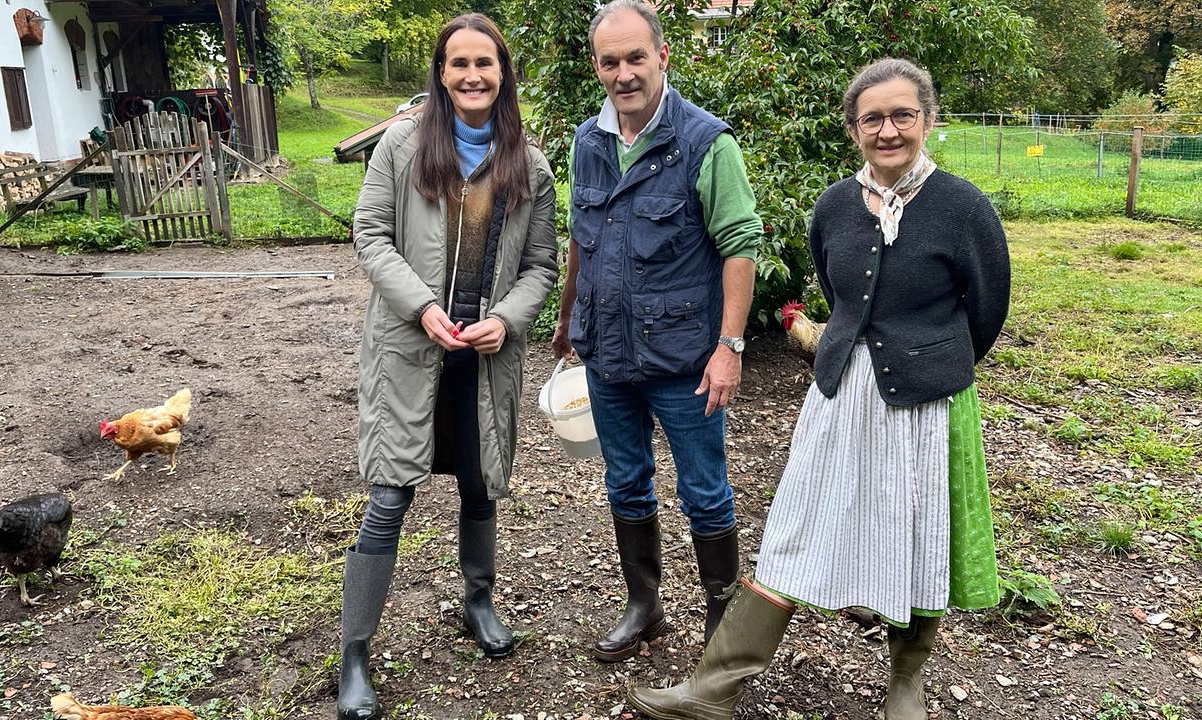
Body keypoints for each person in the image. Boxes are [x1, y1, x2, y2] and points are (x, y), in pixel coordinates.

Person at [627, 57, 1011, 720]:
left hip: (926, 401)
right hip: (841, 390)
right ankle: (715, 689)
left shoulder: (963, 207)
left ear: (927, 119)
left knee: (917, 533)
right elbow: (838, 294)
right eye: (872, 119)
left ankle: (905, 686)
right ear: (854, 129)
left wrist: (931, 360)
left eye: (902, 115)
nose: (887, 130)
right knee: (796, 526)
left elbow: (986, 308)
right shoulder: (834, 205)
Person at [341, 14, 558, 720]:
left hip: (484, 358)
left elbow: (541, 266)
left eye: (485, 64)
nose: (472, 76)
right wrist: (419, 306)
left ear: (502, 73)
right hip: (411, 350)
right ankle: (355, 654)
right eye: (458, 63)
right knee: (389, 498)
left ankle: (477, 601)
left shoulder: (529, 161)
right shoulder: (402, 147)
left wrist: (508, 318)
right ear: (440, 72)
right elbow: (370, 233)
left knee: (479, 482)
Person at [551, 0, 762, 662]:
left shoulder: (706, 142)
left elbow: (740, 246)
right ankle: (644, 608)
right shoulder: (589, 142)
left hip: (685, 359)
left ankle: (722, 624)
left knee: (704, 488)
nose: (624, 73)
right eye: (610, 61)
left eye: (636, 57)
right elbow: (584, 238)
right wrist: (567, 317)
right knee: (625, 481)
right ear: (597, 67)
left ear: (663, 56)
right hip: (608, 352)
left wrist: (728, 350)